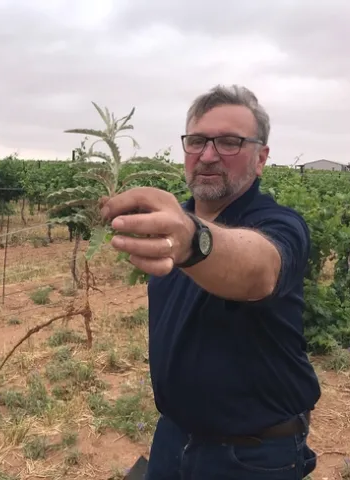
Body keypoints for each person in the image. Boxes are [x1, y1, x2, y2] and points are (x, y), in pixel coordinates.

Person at [100, 85, 321, 479]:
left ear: (261, 158)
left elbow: (259, 269)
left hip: (252, 455)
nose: (208, 154)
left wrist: (192, 241)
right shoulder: (171, 222)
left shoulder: (280, 225)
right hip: (172, 436)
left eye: (230, 142)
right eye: (198, 141)